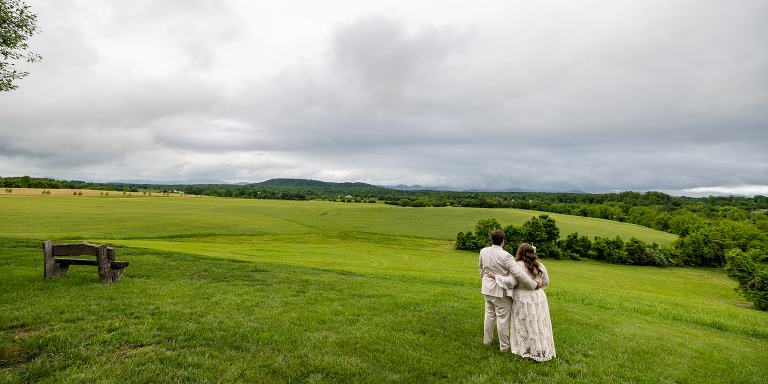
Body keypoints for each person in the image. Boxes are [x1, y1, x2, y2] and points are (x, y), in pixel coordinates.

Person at [486, 243, 555, 361]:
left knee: (524, 322)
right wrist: (536, 289)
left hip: (522, 297)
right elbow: (546, 282)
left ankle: (525, 349)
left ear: (519, 252)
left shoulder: (517, 265)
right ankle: (538, 347)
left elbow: (510, 283)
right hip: (539, 297)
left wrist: (495, 276)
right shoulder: (540, 265)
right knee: (537, 322)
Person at [479, 230, 540, 351]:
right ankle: (504, 347)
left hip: (487, 289)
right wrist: (533, 284)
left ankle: (487, 341)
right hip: (501, 291)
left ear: (493, 240)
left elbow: (481, 269)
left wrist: (486, 281)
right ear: (503, 241)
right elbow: (519, 274)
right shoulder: (506, 256)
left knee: (489, 316)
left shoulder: (483, 251)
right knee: (502, 320)